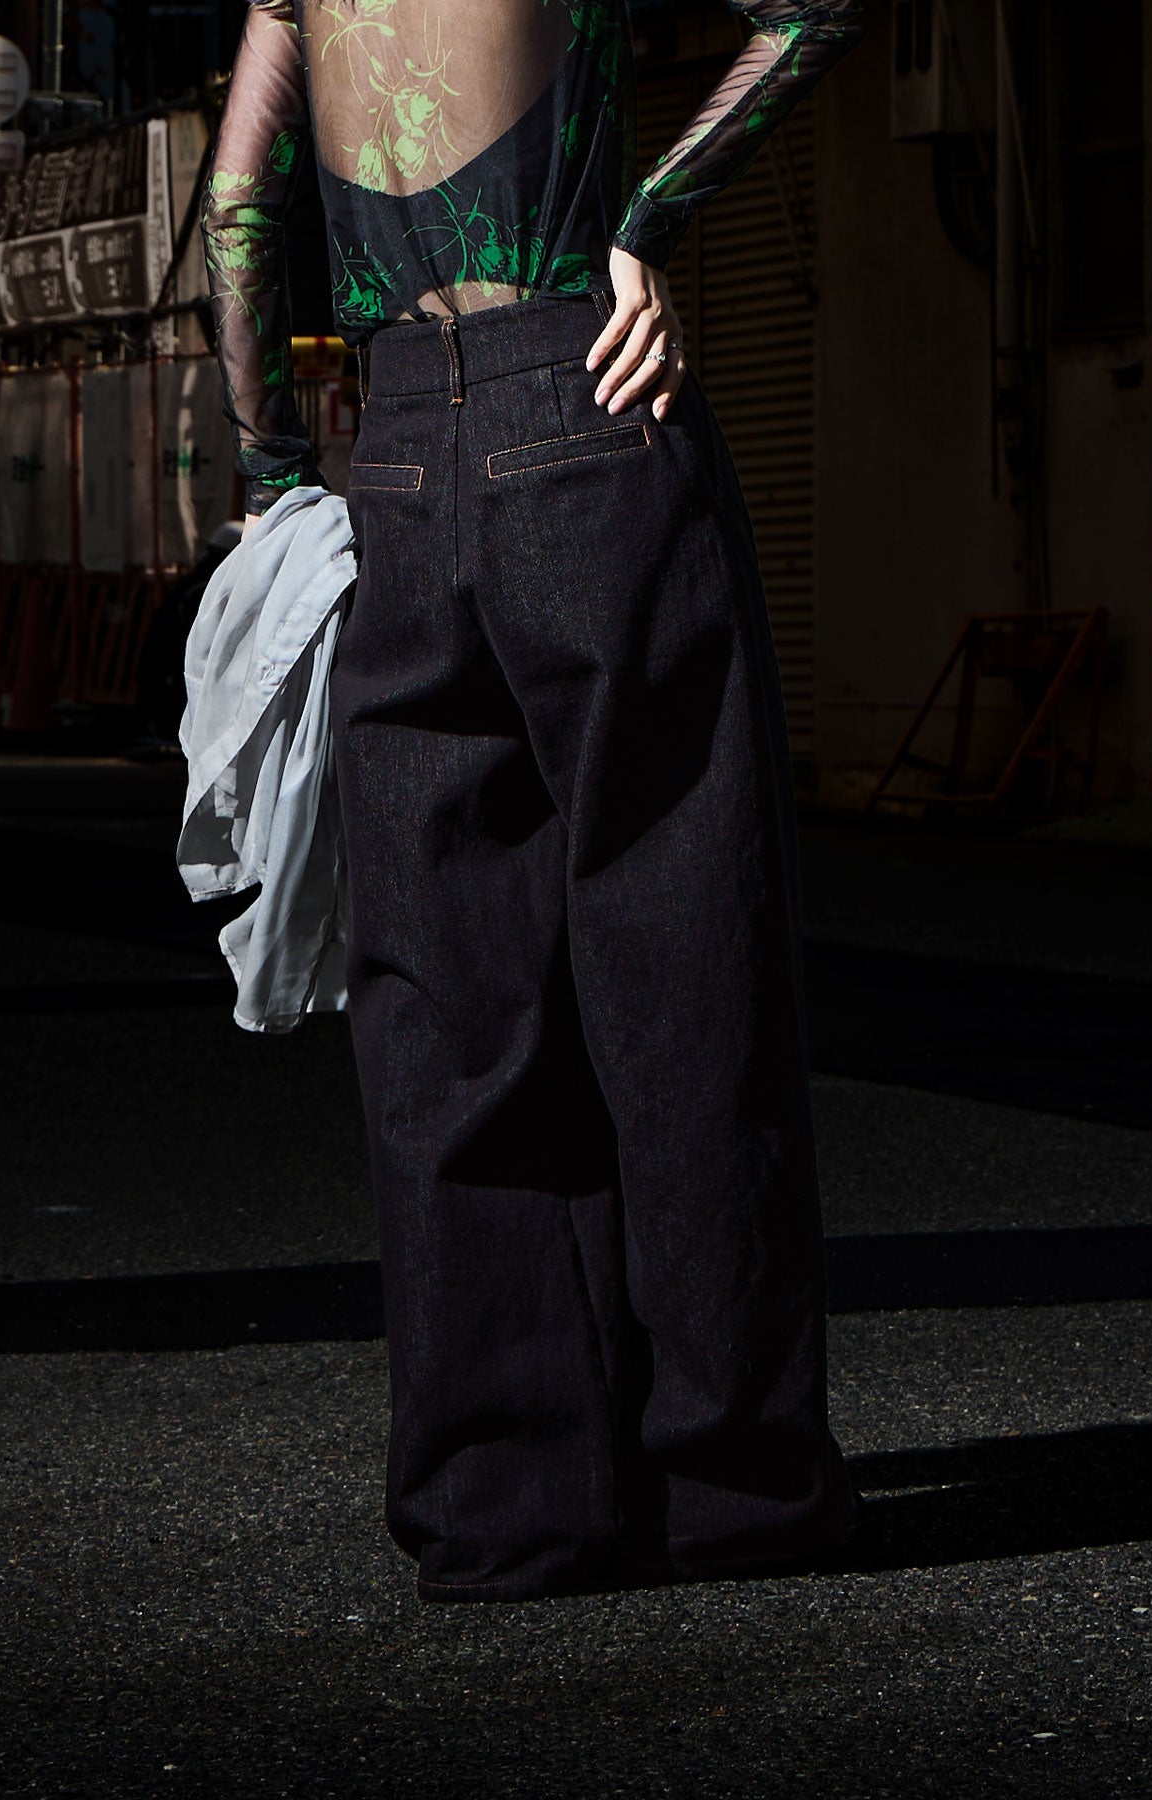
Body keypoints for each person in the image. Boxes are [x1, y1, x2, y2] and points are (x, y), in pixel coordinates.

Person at [200, 0, 869, 1604]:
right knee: (682, 958)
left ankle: (502, 1503)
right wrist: (649, 220)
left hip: (397, 455)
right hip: (586, 401)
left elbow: (236, 208)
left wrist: (275, 467)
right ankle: (730, 1486)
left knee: (447, 1008)